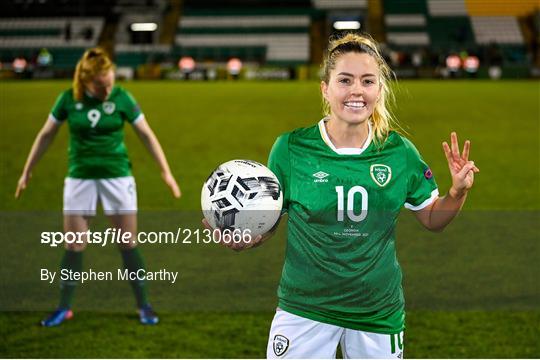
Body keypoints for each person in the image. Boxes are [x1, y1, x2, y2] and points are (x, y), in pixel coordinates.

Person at [218, 33, 479, 358]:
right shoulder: (290, 148)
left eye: (367, 81)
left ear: (379, 90)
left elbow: (432, 218)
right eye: (345, 80)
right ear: (325, 89)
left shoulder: (398, 153)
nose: (357, 90)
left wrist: (457, 192)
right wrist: (251, 237)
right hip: (303, 308)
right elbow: (271, 219)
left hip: (377, 311)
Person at [15, 47, 181, 327]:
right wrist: (27, 171)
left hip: (117, 177)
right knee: (74, 244)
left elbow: (146, 134)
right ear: (85, 82)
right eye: (101, 86)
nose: (107, 90)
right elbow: (46, 135)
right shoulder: (68, 99)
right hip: (80, 178)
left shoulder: (123, 97)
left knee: (127, 243)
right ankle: (64, 307)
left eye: (110, 83)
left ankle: (144, 305)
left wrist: (166, 172)